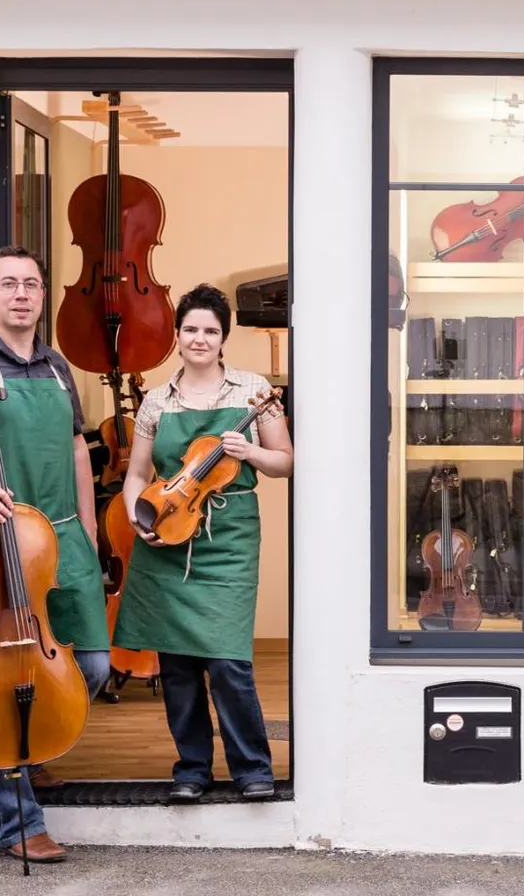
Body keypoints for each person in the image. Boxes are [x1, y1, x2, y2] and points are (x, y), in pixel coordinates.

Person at [114, 283, 293, 802]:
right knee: (177, 665)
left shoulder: (253, 391)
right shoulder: (155, 401)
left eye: (210, 330)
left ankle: (252, 768)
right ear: (178, 334)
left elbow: (285, 460)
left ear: (223, 338)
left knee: (229, 661)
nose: (199, 338)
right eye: (190, 328)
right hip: (166, 534)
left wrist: (250, 452)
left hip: (229, 539)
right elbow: (137, 474)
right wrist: (136, 517)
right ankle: (191, 768)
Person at [0, 246, 111, 864]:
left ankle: (28, 750)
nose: (20, 294)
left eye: (30, 284)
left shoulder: (58, 367)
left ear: (42, 295)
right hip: (2, 541)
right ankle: (17, 823)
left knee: (90, 662)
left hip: (62, 536)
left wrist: (89, 529)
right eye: (8, 283)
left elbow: (75, 449)